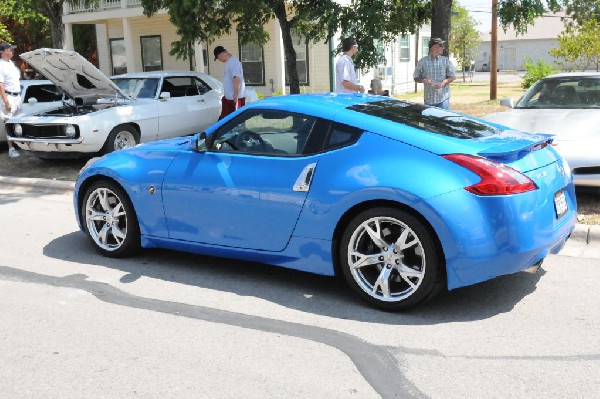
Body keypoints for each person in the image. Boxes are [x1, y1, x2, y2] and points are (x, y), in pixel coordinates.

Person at [413, 38, 456, 109]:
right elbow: (416, 77)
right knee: (430, 120)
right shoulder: (422, 61)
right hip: (429, 100)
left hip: (443, 99)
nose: (443, 48)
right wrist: (423, 80)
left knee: (443, 120)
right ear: (434, 47)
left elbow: (453, 76)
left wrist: (443, 82)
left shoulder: (445, 61)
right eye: (441, 46)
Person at [0, 42, 22, 158]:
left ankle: (20, 146)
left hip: (17, 96)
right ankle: (11, 148)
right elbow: (0, 84)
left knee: (18, 121)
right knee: (8, 122)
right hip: (8, 96)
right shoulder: (1, 65)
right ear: (5, 52)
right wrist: (6, 101)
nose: (12, 52)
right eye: (10, 50)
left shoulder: (11, 64)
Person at [214, 45, 246, 120]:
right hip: (228, 98)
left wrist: (235, 97)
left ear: (221, 54)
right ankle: (218, 131)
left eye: (218, 57)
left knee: (236, 121)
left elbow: (237, 79)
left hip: (235, 98)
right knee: (223, 121)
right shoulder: (229, 62)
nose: (218, 60)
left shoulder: (233, 62)